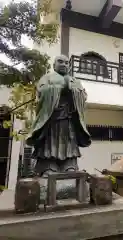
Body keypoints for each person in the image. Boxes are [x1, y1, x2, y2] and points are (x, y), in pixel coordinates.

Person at [26, 55, 91, 198]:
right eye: (60, 62)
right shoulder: (47, 78)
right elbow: (42, 92)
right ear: (54, 64)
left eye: (67, 63)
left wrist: (72, 91)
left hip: (69, 121)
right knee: (50, 143)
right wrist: (61, 88)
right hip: (51, 120)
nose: (64, 64)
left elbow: (83, 96)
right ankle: (49, 167)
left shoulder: (75, 81)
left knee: (69, 144)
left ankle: (69, 166)